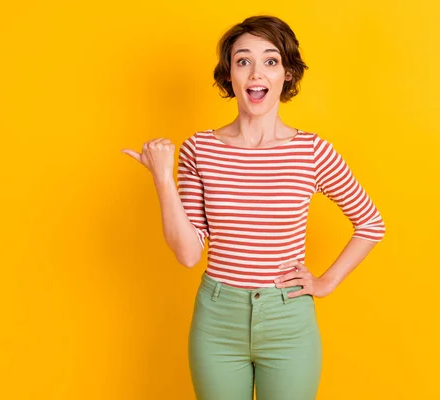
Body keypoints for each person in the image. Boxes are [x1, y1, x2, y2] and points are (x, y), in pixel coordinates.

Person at [122, 15, 385, 400]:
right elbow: (188, 253)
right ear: (229, 76)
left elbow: (370, 223)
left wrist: (325, 282)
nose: (256, 72)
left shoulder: (311, 152)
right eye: (243, 61)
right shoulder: (201, 149)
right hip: (217, 319)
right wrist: (162, 178)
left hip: (288, 320)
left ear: (288, 74)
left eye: (271, 60)